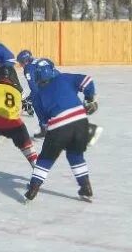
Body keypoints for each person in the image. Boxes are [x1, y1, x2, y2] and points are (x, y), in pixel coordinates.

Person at [24, 62, 100, 203]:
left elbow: (44, 122)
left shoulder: (37, 95)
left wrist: (55, 136)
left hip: (58, 126)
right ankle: (86, 187)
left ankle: (33, 188)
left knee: (46, 159)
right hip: (81, 121)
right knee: (75, 155)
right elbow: (87, 81)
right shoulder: (64, 78)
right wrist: (89, 98)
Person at [17, 50, 52, 139]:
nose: (20, 65)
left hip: (48, 87)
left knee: (37, 103)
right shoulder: (40, 60)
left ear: (25, 61)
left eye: (21, 62)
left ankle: (45, 127)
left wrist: (30, 99)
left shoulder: (28, 68)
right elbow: (52, 65)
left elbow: (33, 86)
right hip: (58, 82)